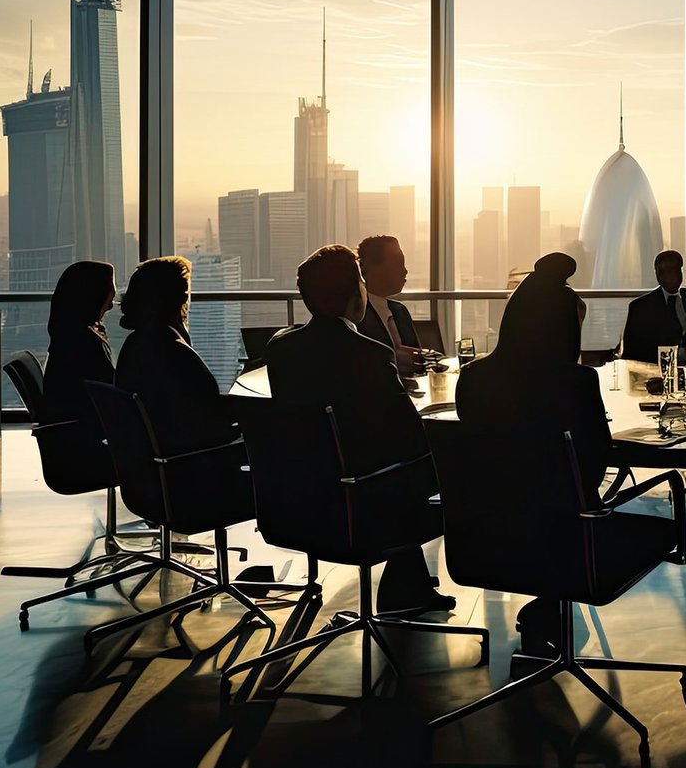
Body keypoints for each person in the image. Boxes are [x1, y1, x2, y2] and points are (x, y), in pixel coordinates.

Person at [458, 253, 677, 658]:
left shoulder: (472, 379)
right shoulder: (575, 383)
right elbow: (594, 463)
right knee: (567, 511)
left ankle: (544, 608)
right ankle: (547, 607)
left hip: (485, 538)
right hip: (571, 541)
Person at [263, 245, 454, 613]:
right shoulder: (367, 353)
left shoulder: (281, 348)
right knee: (412, 471)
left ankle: (406, 586)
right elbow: (409, 439)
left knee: (383, 468)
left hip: (297, 498)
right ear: (355, 296)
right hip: (360, 503)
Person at [113, 257, 241, 456]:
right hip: (193, 458)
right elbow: (208, 413)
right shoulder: (172, 351)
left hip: (165, 457)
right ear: (178, 298)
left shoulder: (136, 345)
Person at [43, 260, 117, 428]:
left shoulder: (67, 338)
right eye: (109, 296)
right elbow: (109, 394)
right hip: (89, 434)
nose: (111, 305)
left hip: (73, 433)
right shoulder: (86, 344)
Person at [619, 249, 686, 363]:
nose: (667, 276)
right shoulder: (640, 308)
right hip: (655, 373)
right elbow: (631, 355)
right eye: (661, 272)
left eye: (672, 270)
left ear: (681, 272)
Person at [356, 234, 422, 377]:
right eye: (399, 263)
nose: (405, 271)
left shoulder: (400, 311)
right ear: (371, 267)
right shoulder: (356, 316)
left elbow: (419, 361)